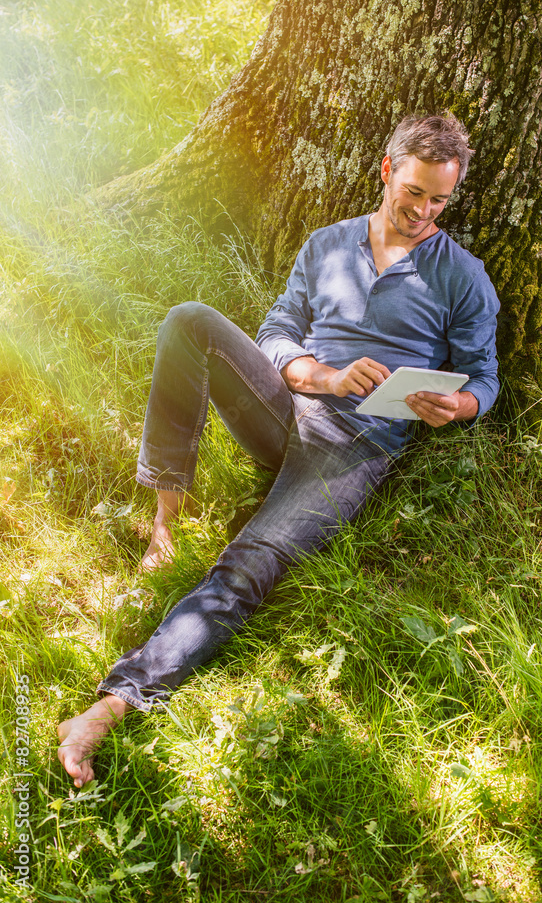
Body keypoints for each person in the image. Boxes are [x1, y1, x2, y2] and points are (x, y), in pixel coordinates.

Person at [58, 113, 500, 787]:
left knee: (250, 563)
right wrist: (321, 375)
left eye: (438, 200)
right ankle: (164, 519)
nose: (422, 211)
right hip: (287, 403)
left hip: (354, 444)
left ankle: (113, 704)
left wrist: (457, 405)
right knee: (189, 321)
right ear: (386, 171)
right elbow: (276, 333)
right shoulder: (327, 245)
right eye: (413, 192)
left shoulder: (461, 277)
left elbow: (483, 377)